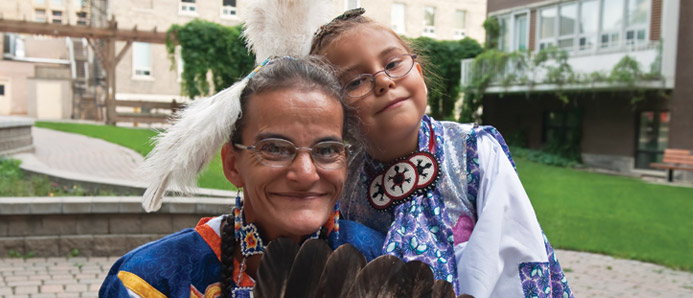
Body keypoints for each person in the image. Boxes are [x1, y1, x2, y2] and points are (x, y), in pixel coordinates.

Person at [310, 8, 574, 298]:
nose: (383, 81)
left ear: (419, 74)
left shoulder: (473, 151)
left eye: (393, 63)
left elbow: (516, 252)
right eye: (356, 81)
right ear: (335, 110)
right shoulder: (344, 183)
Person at [99, 57, 359, 298]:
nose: (305, 173)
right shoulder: (151, 280)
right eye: (275, 149)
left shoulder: (377, 255)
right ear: (233, 165)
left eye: (327, 150)